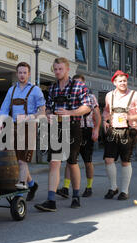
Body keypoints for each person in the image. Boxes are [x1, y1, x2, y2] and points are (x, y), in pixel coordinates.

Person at [34, 58, 92, 211]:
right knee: (54, 162)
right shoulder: (52, 88)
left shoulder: (78, 85)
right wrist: (47, 114)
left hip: (72, 126)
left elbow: (87, 107)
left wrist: (70, 112)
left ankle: (76, 196)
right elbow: (48, 107)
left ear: (67, 70)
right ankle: (51, 200)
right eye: (55, 69)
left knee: (72, 162)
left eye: (60, 69)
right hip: (55, 127)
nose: (57, 72)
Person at [0, 62, 46, 201]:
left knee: (23, 161)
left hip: (29, 127)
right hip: (14, 127)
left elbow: (42, 112)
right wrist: (0, 121)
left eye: (25, 72)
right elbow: (4, 108)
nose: (22, 75)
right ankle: (31, 184)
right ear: (17, 74)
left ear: (29, 74)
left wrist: (29, 116)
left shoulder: (36, 90)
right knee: (16, 160)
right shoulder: (11, 90)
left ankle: (19, 195)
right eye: (20, 72)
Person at [102, 70, 137, 200]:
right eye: (120, 81)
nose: (123, 83)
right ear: (114, 82)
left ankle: (124, 191)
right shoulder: (109, 95)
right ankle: (113, 187)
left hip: (128, 131)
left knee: (125, 161)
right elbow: (106, 110)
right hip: (113, 130)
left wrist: (131, 116)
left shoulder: (135, 95)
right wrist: (105, 120)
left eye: (125, 80)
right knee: (108, 159)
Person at [56, 74, 100, 198]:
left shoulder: (90, 97)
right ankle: (65, 187)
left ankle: (89, 186)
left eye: (79, 83)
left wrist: (96, 129)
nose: (76, 85)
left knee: (87, 161)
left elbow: (97, 114)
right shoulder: (69, 96)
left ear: (83, 84)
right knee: (71, 160)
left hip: (86, 130)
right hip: (72, 128)